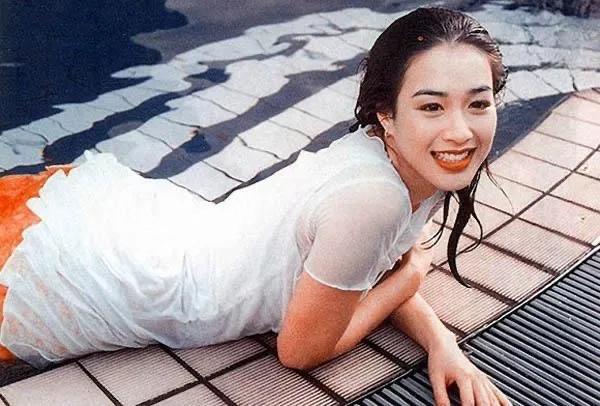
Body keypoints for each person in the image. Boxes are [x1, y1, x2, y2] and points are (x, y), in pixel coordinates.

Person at [0, 6, 511, 405]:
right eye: (431, 106)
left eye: (478, 103)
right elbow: (301, 350)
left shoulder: (410, 160)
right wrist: (412, 277)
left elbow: (363, 275)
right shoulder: (374, 198)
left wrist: (442, 344)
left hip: (135, 229)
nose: (460, 131)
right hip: (100, 277)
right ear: (387, 113)